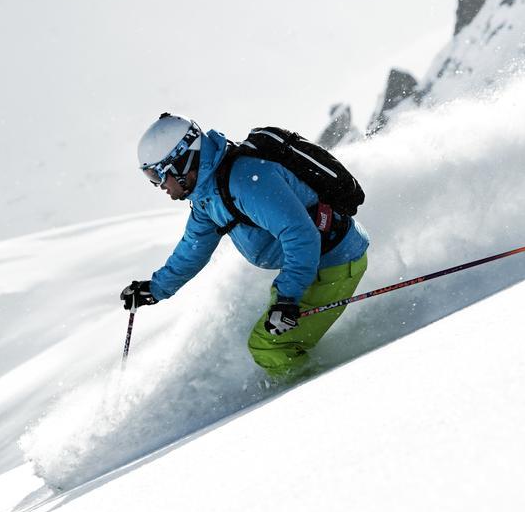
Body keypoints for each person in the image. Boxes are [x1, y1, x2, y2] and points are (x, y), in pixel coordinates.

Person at [120, 113, 369, 382]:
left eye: (158, 176)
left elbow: (301, 235)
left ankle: (327, 397)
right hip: (312, 265)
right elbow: (193, 248)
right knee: (269, 334)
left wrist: (287, 299)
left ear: (182, 162)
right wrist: (155, 289)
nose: (159, 186)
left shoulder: (244, 180)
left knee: (268, 346)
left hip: (337, 262)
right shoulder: (208, 195)